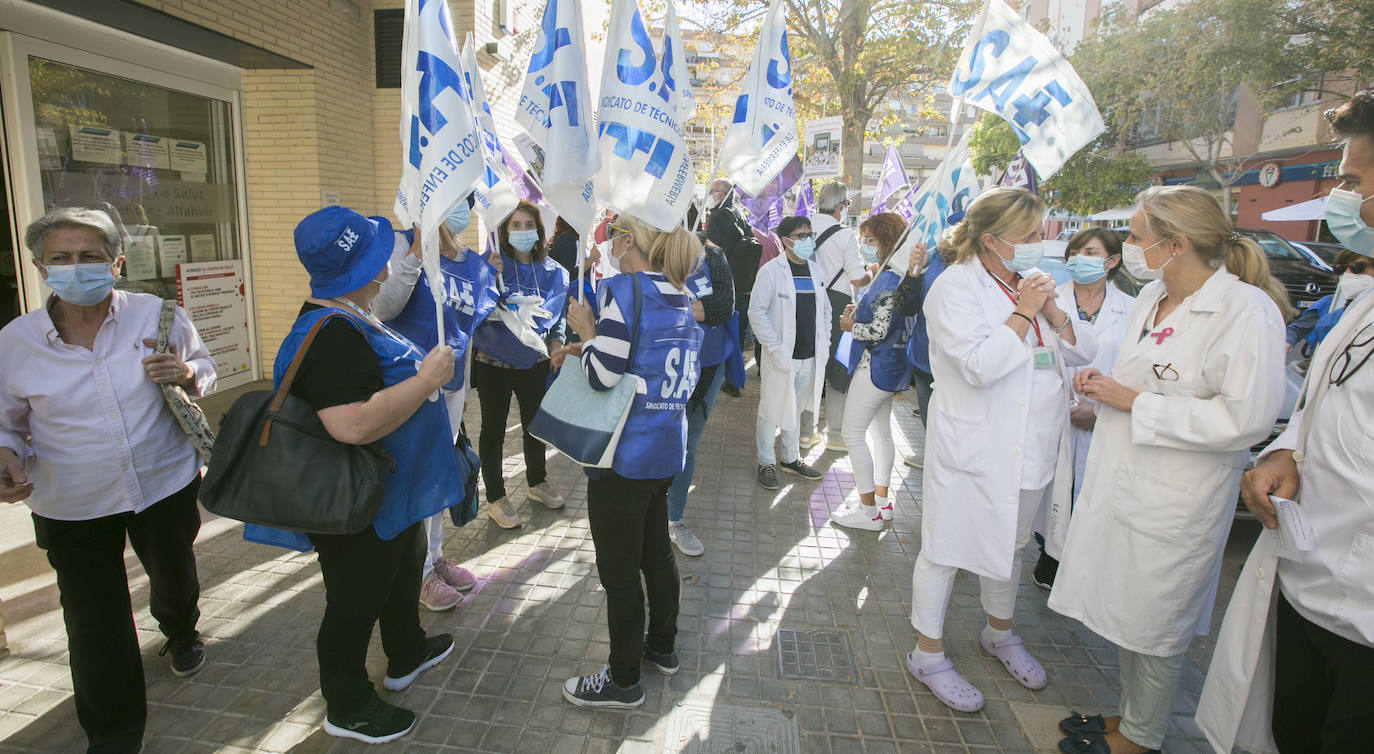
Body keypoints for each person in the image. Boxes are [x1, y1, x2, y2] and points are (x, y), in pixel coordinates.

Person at [1047, 185, 1289, 754]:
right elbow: (1148, 374)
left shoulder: (1244, 312)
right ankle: (1132, 716)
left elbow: (1247, 419)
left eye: (1134, 236)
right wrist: (1106, 385)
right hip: (1127, 480)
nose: (1126, 246)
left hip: (1179, 496)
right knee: (1130, 610)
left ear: (1176, 244)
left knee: (1157, 619)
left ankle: (1143, 737)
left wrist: (1136, 403)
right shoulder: (1155, 296)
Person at [1196, 90, 1374, 754]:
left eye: (1354, 181)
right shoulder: (1364, 302)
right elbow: (1325, 400)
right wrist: (1289, 451)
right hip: (1312, 588)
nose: (1342, 196)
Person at [244, 206, 463, 744]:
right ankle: (346, 702)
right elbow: (352, 424)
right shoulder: (332, 333)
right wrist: (426, 379)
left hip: (388, 497)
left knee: (396, 574)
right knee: (354, 601)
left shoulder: (351, 314)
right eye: (380, 250)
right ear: (369, 268)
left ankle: (405, 653)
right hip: (354, 503)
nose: (390, 256)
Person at [0, 207, 215, 753]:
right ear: (39, 266)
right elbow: (6, 424)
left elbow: (205, 369)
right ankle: (115, 736)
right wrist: (7, 457)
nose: (77, 267)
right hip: (71, 501)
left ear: (117, 263)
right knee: (95, 625)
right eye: (62, 258)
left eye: (90, 257)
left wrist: (186, 372)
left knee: (173, 576)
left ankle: (181, 629)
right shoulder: (15, 342)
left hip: (162, 484)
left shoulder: (157, 315)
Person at [905, 187, 1096, 714]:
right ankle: (927, 653)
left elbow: (1084, 352)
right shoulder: (955, 289)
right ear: (991, 240)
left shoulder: (1027, 284)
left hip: (1031, 447)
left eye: (1042, 233)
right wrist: (1024, 312)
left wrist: (1053, 311)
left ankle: (1000, 632)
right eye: (1030, 236)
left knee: (1009, 548)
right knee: (944, 550)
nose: (1042, 243)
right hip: (973, 447)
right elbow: (979, 366)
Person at [554, 215, 704, 707]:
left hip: (623, 457)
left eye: (615, 232)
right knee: (656, 555)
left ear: (629, 241)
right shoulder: (679, 292)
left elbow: (603, 375)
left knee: (619, 574)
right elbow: (636, 359)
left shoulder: (623, 290)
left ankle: (621, 681)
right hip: (665, 450)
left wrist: (587, 330)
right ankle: (662, 647)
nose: (609, 240)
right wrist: (593, 344)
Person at [373, 195, 497, 612]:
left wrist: (462, 383)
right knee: (416, 475)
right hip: (409, 384)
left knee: (438, 473)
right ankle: (417, 572)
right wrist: (416, 248)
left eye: (465, 199)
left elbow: (469, 325)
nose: (459, 207)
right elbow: (383, 305)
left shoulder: (471, 262)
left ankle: (433, 556)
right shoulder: (397, 243)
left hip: (450, 385)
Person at [1031, 227, 1134, 589]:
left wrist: (1099, 409)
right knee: (1051, 496)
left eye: (1090, 252)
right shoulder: (1049, 302)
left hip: (1104, 418)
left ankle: (1083, 570)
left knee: (1092, 495)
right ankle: (1049, 557)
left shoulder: (1131, 311)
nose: (1079, 258)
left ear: (1112, 261)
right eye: (1075, 252)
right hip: (1053, 415)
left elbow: (1133, 372)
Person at [470, 200, 570, 528]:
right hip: (492, 363)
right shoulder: (491, 264)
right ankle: (496, 498)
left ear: (539, 231)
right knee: (493, 430)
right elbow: (473, 312)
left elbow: (556, 316)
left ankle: (537, 483)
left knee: (534, 425)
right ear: (504, 231)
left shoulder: (554, 272)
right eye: (516, 225)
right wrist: (487, 276)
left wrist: (556, 342)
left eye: (530, 225)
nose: (523, 231)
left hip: (534, 361)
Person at [830, 212, 918, 530]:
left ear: (886, 240)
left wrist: (851, 326)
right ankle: (881, 501)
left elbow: (877, 331)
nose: (865, 245)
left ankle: (868, 512)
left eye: (870, 239)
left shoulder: (890, 277)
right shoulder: (902, 273)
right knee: (881, 435)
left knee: (852, 434)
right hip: (892, 367)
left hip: (875, 365)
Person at [665, 236, 737, 557]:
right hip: (664, 368)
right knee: (657, 441)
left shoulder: (713, 255)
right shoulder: (654, 253)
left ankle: (673, 518)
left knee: (687, 447)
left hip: (708, 365)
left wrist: (677, 307)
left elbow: (723, 306)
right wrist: (694, 310)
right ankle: (650, 516)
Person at [749, 215, 829, 491]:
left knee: (795, 408)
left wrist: (825, 343)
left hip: (810, 355)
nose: (808, 240)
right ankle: (766, 461)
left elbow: (825, 311)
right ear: (785, 241)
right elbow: (756, 313)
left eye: (809, 234)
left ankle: (790, 458)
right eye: (801, 235)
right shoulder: (771, 272)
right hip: (781, 356)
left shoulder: (815, 271)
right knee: (771, 410)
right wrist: (774, 346)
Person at [812, 181, 869, 452]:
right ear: (840, 206)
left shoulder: (803, 227)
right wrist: (873, 271)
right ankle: (835, 434)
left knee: (808, 365)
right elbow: (857, 279)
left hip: (806, 301)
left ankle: (803, 430)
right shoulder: (845, 235)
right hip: (837, 305)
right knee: (837, 367)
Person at [1285, 247, 1374, 355]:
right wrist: (1287, 341)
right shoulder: (1329, 303)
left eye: (1357, 267)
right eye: (1341, 268)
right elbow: (1297, 328)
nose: (1347, 272)